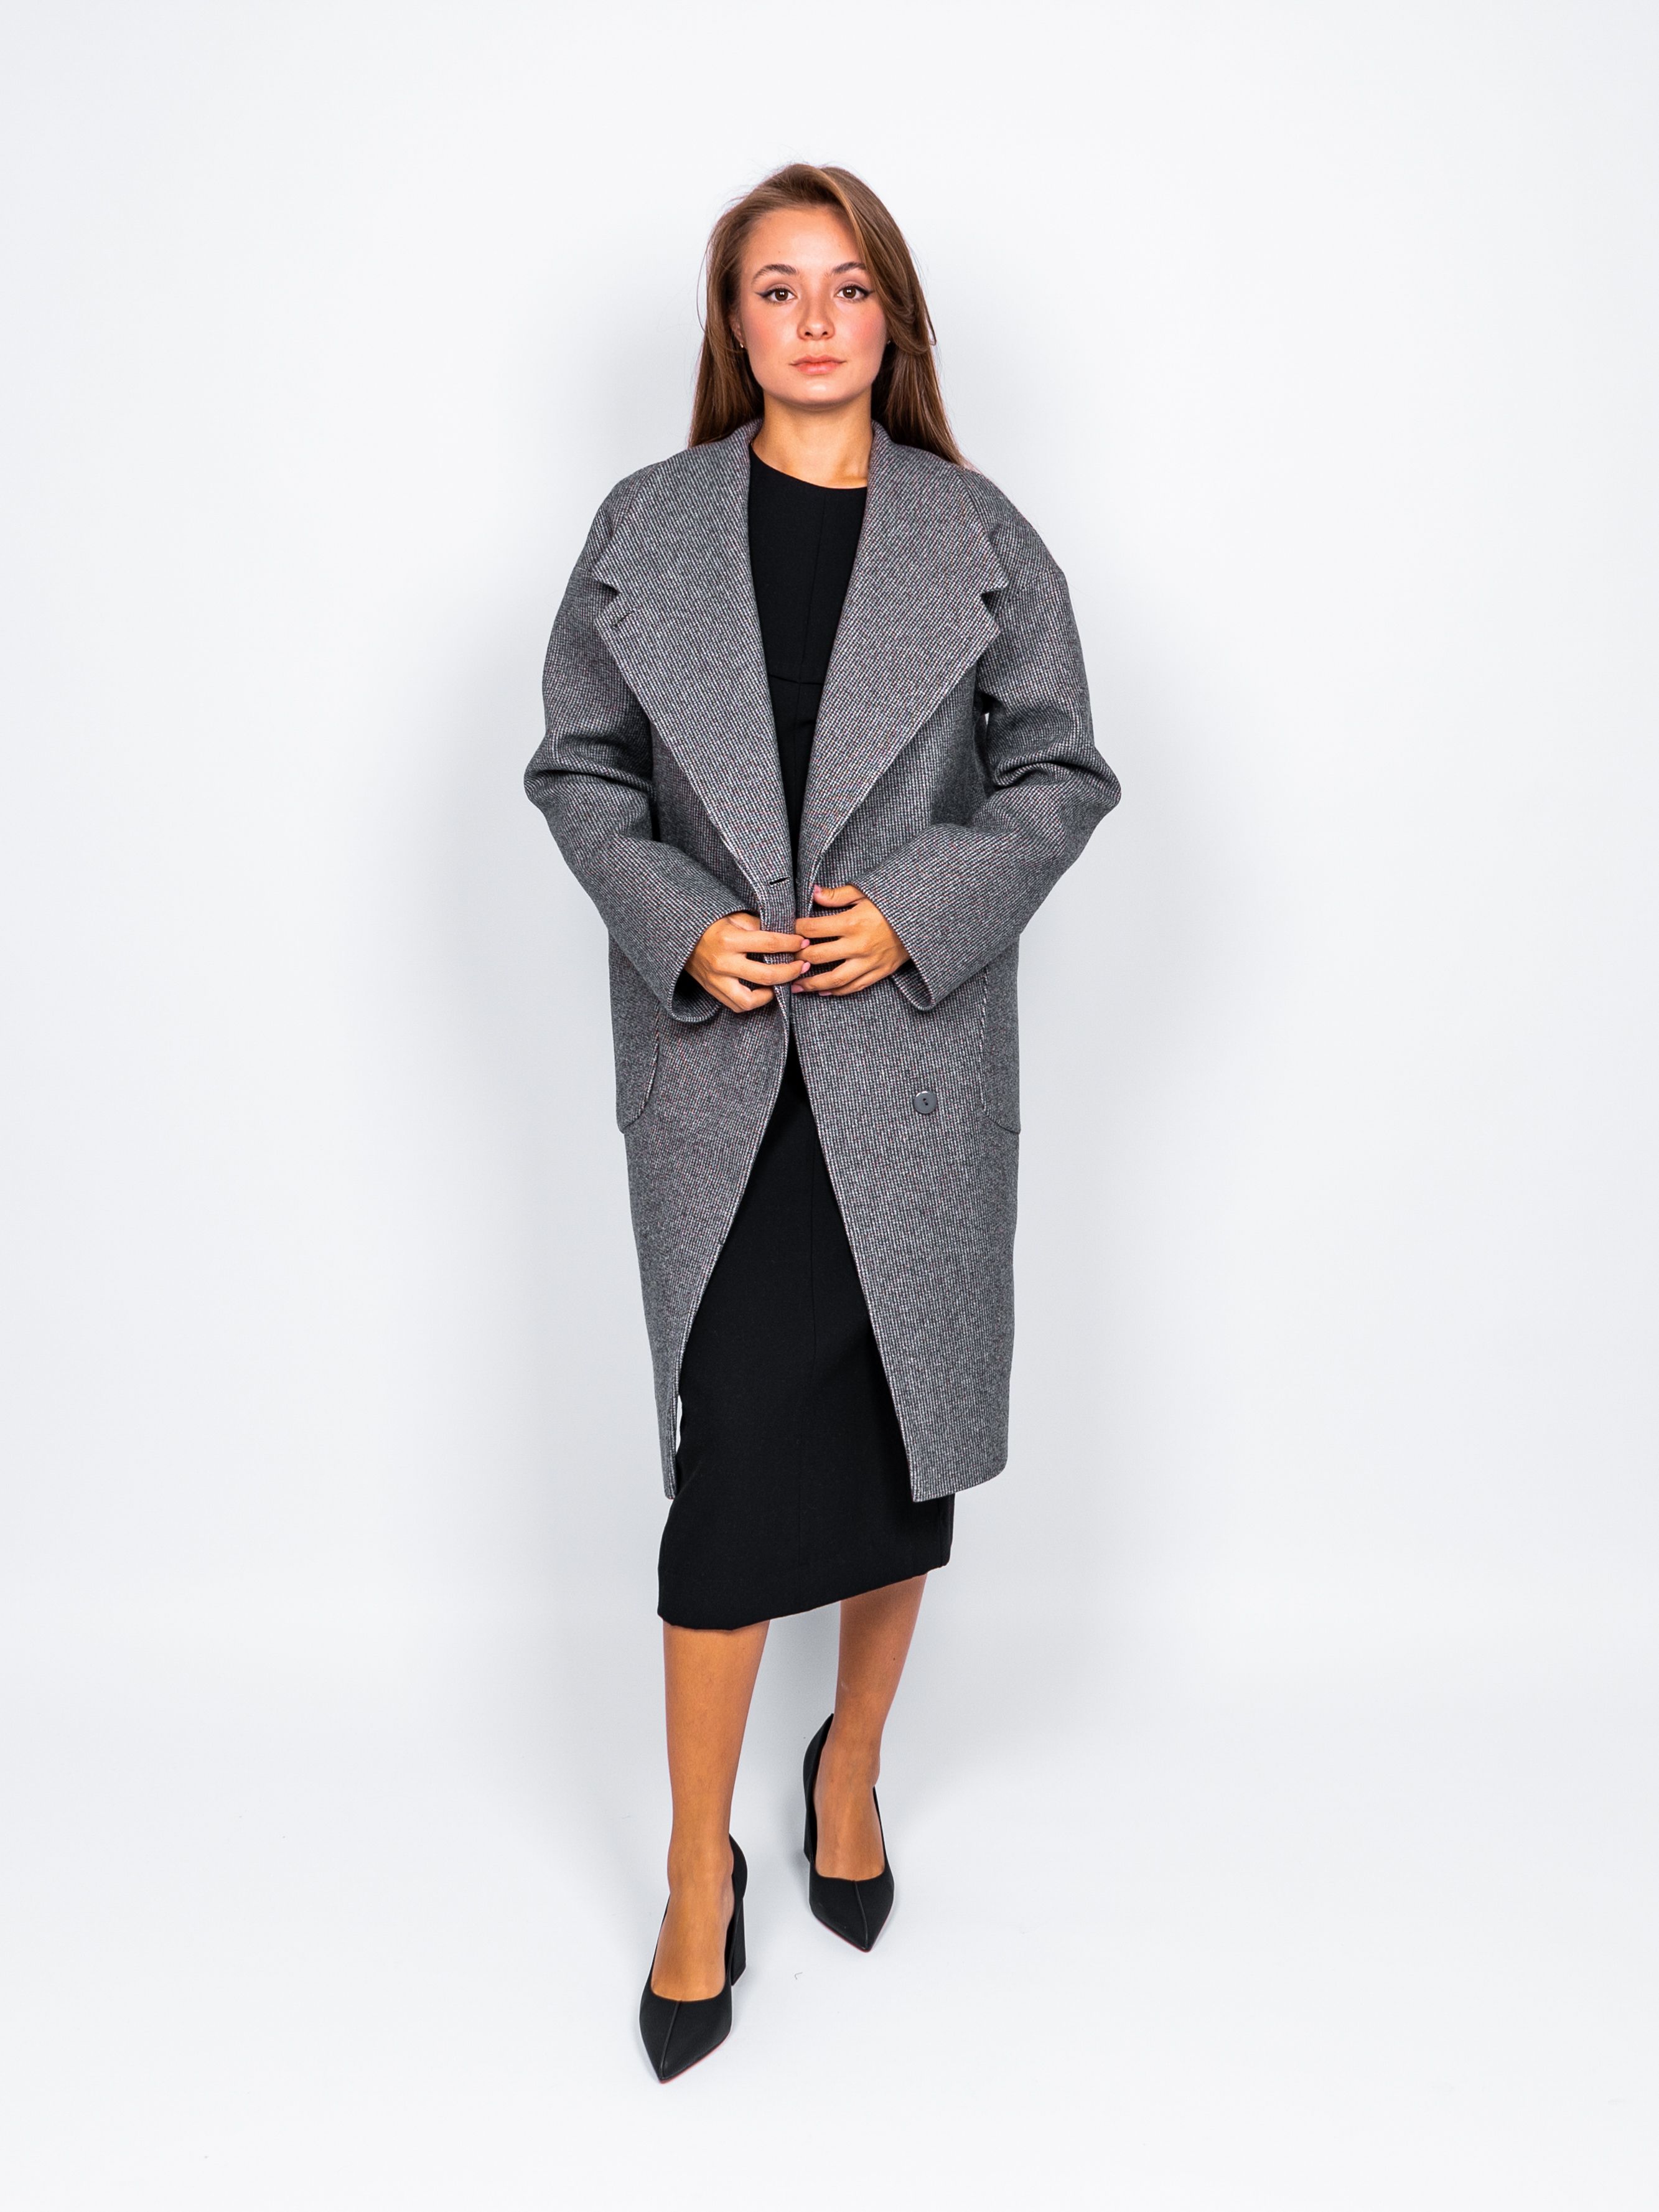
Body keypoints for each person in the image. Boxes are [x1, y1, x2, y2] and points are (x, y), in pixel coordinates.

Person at [524, 162, 1120, 2081]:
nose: (810, 319)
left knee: (892, 1450)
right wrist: (679, 925)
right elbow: (578, 769)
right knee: (721, 1490)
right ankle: (693, 1873)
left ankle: (847, 1764)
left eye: (844, 286)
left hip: (908, 1064)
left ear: (890, 319)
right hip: (719, 1065)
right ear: (732, 323)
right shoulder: (646, 527)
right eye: (773, 287)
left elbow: (1058, 770)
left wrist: (921, 908)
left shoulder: (979, 534)